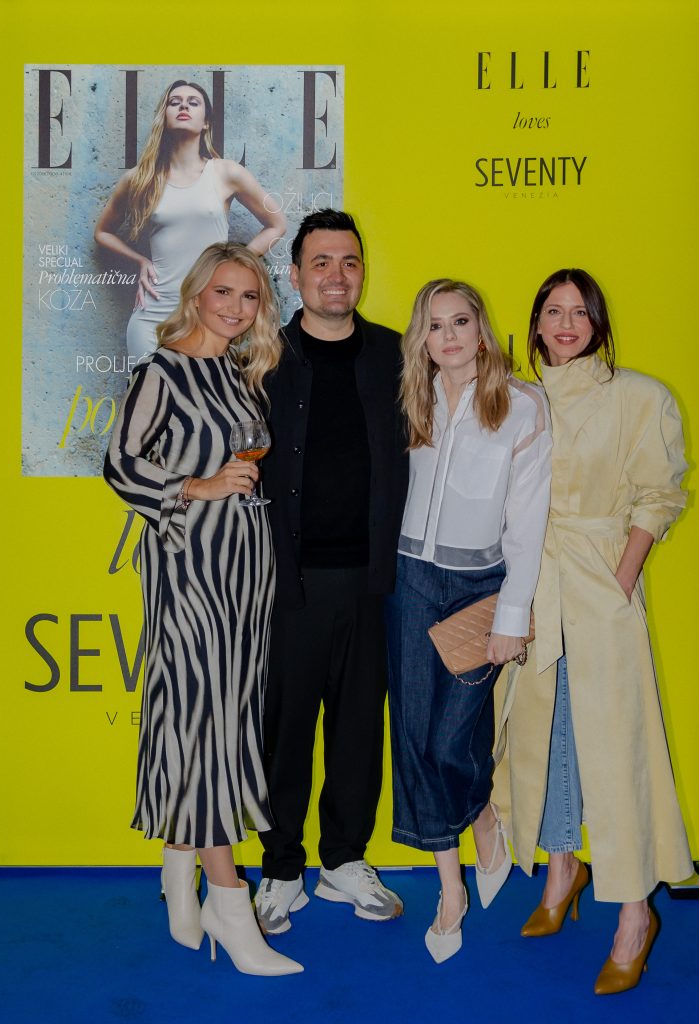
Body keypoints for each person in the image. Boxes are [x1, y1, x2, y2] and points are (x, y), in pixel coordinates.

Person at [104, 242, 301, 976]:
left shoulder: (237, 373)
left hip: (244, 568)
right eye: (224, 292)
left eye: (249, 297)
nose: (236, 308)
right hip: (189, 564)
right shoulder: (162, 371)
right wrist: (194, 486)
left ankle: (177, 873)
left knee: (210, 714)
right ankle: (228, 903)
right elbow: (118, 463)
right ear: (196, 294)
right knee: (209, 719)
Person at [496, 268, 693, 994]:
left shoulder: (639, 396)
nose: (566, 324)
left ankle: (635, 914)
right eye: (554, 311)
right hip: (530, 585)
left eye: (580, 312)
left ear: (598, 323)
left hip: (600, 582)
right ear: (536, 324)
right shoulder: (514, 399)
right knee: (543, 734)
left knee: (616, 749)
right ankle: (561, 869)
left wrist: (621, 578)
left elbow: (659, 494)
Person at [386, 279, 551, 963]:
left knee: (451, 740)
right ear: (421, 338)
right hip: (410, 580)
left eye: (460, 321)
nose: (448, 335)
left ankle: (481, 809)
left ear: (481, 330)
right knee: (413, 737)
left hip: (479, 588)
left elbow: (527, 524)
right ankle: (449, 887)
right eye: (434, 324)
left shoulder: (521, 405)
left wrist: (513, 612)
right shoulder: (413, 398)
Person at [254, 209, 409, 935]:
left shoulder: (397, 355)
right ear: (295, 276)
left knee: (357, 733)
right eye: (321, 262)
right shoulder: (261, 356)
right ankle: (281, 869)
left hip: (374, 582)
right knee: (284, 732)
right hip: (289, 582)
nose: (336, 276)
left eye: (348, 261)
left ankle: (343, 860)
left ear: (362, 273)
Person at [95, 80, 285, 361]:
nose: (183, 106)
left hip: (207, 314)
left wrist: (234, 263)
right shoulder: (140, 178)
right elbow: (102, 232)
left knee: (200, 390)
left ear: (206, 122)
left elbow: (277, 224)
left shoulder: (226, 173)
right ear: (164, 116)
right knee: (150, 390)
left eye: (193, 102)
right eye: (175, 102)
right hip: (153, 315)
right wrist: (140, 261)